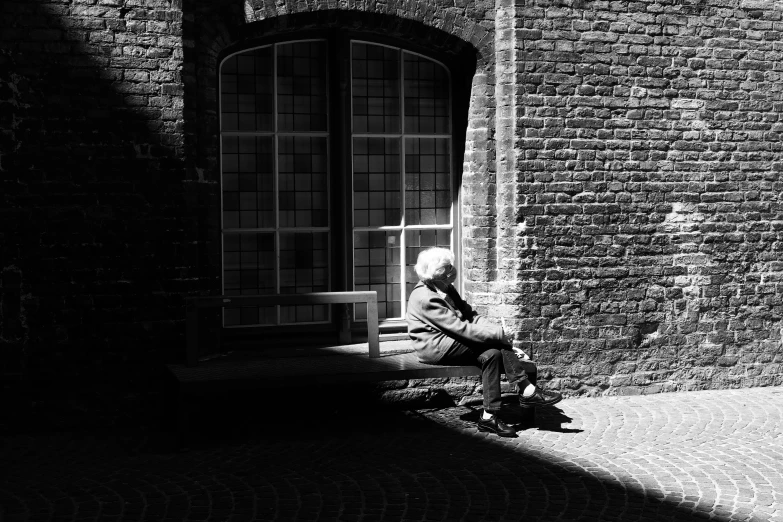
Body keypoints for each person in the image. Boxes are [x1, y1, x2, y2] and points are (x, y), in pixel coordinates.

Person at [406, 247, 562, 437]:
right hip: (436, 347)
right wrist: (498, 335)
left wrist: (497, 331)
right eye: (447, 267)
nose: (452, 271)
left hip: (452, 340)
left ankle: (489, 416)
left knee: (492, 355)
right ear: (435, 271)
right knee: (496, 345)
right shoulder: (425, 297)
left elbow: (471, 316)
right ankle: (526, 389)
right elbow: (459, 327)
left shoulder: (445, 288)